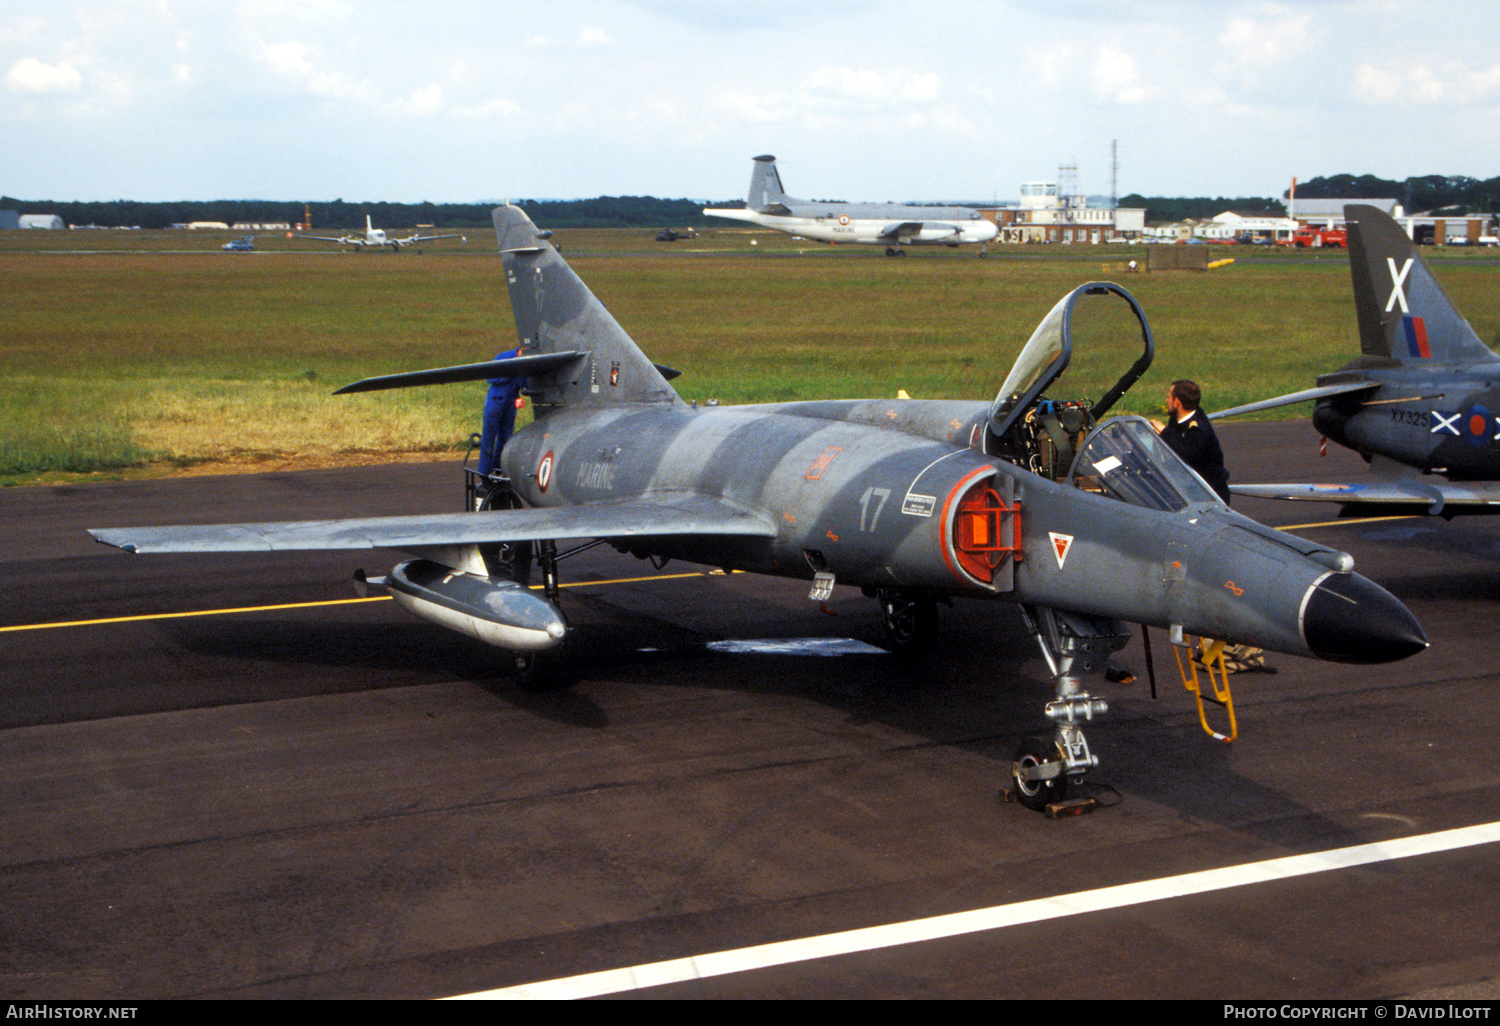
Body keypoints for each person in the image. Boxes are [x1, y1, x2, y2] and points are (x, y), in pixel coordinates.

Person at [1151, 379, 1231, 504]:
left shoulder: (1199, 428)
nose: (1167, 400)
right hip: (1190, 491)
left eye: (1169, 397)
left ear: (1177, 402)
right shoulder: (1177, 419)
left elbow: (1188, 452)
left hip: (1209, 496)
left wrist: (1165, 432)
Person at [477, 348, 522, 482]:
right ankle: (484, 471)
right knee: (489, 436)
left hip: (510, 402)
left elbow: (523, 382)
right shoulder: (503, 356)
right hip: (495, 400)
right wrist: (511, 373)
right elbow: (490, 377)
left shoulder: (524, 363)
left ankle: (498, 467)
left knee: (506, 436)